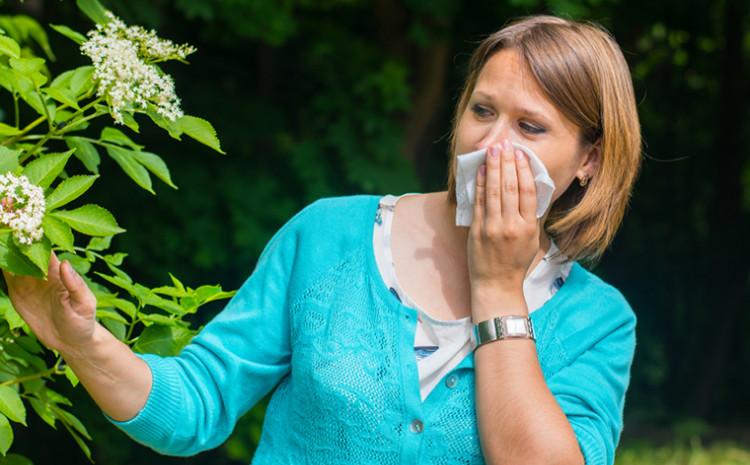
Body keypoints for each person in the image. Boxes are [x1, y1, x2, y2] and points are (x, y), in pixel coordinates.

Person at [3, 14, 640, 465]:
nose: (492, 143)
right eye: (482, 110)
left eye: (530, 126)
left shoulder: (598, 321)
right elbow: (194, 406)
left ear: (588, 158)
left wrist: (499, 288)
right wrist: (80, 342)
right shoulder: (328, 236)